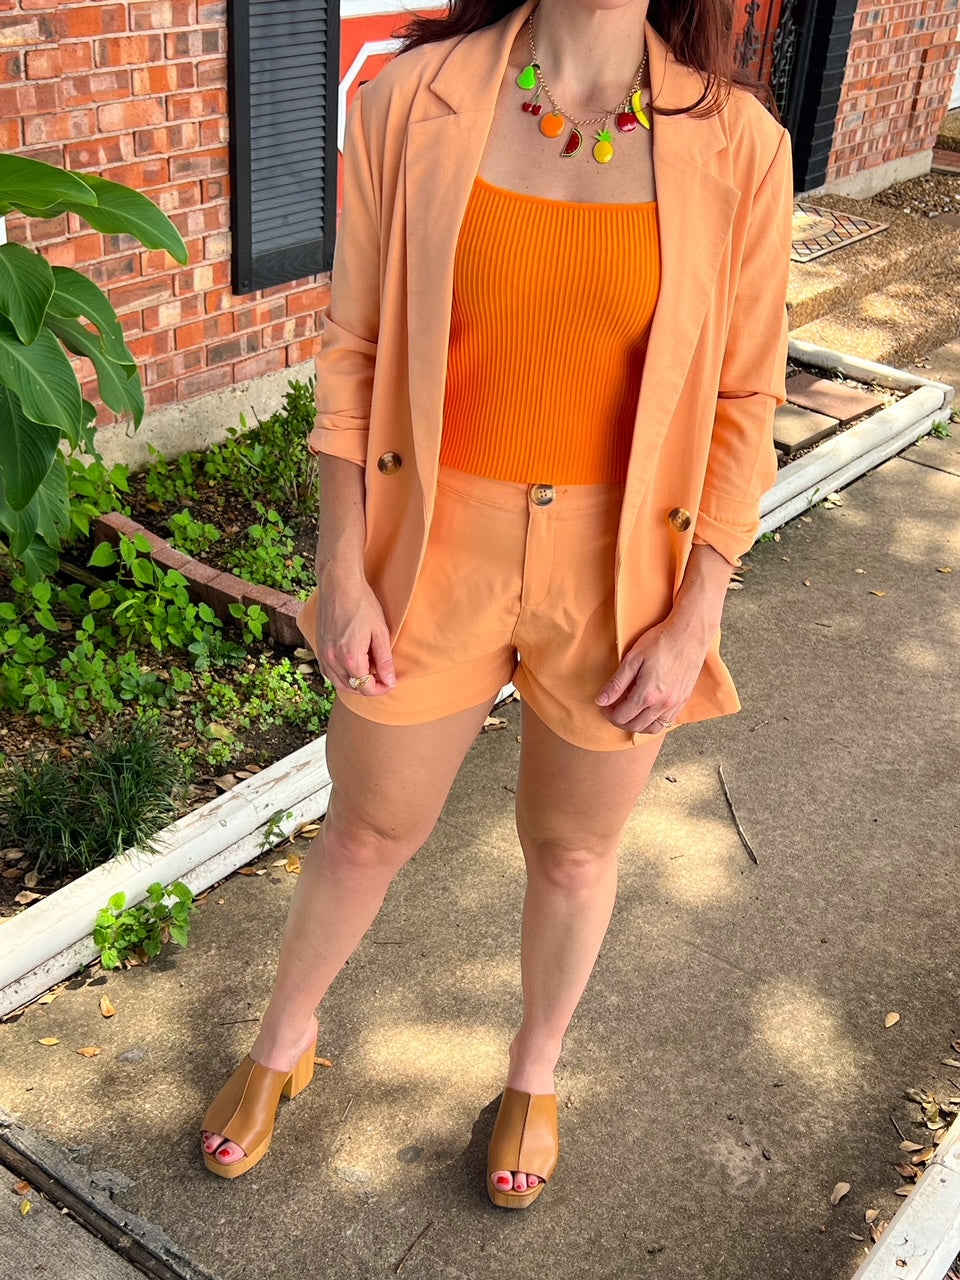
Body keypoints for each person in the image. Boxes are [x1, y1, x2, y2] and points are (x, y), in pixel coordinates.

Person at [200, 0, 792, 1209]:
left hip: (620, 572)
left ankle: (534, 1071)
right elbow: (355, 350)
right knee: (367, 827)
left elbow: (744, 399)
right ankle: (283, 1040)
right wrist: (343, 567)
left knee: (575, 850)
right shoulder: (411, 100)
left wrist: (696, 615)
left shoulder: (740, 143)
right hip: (435, 547)